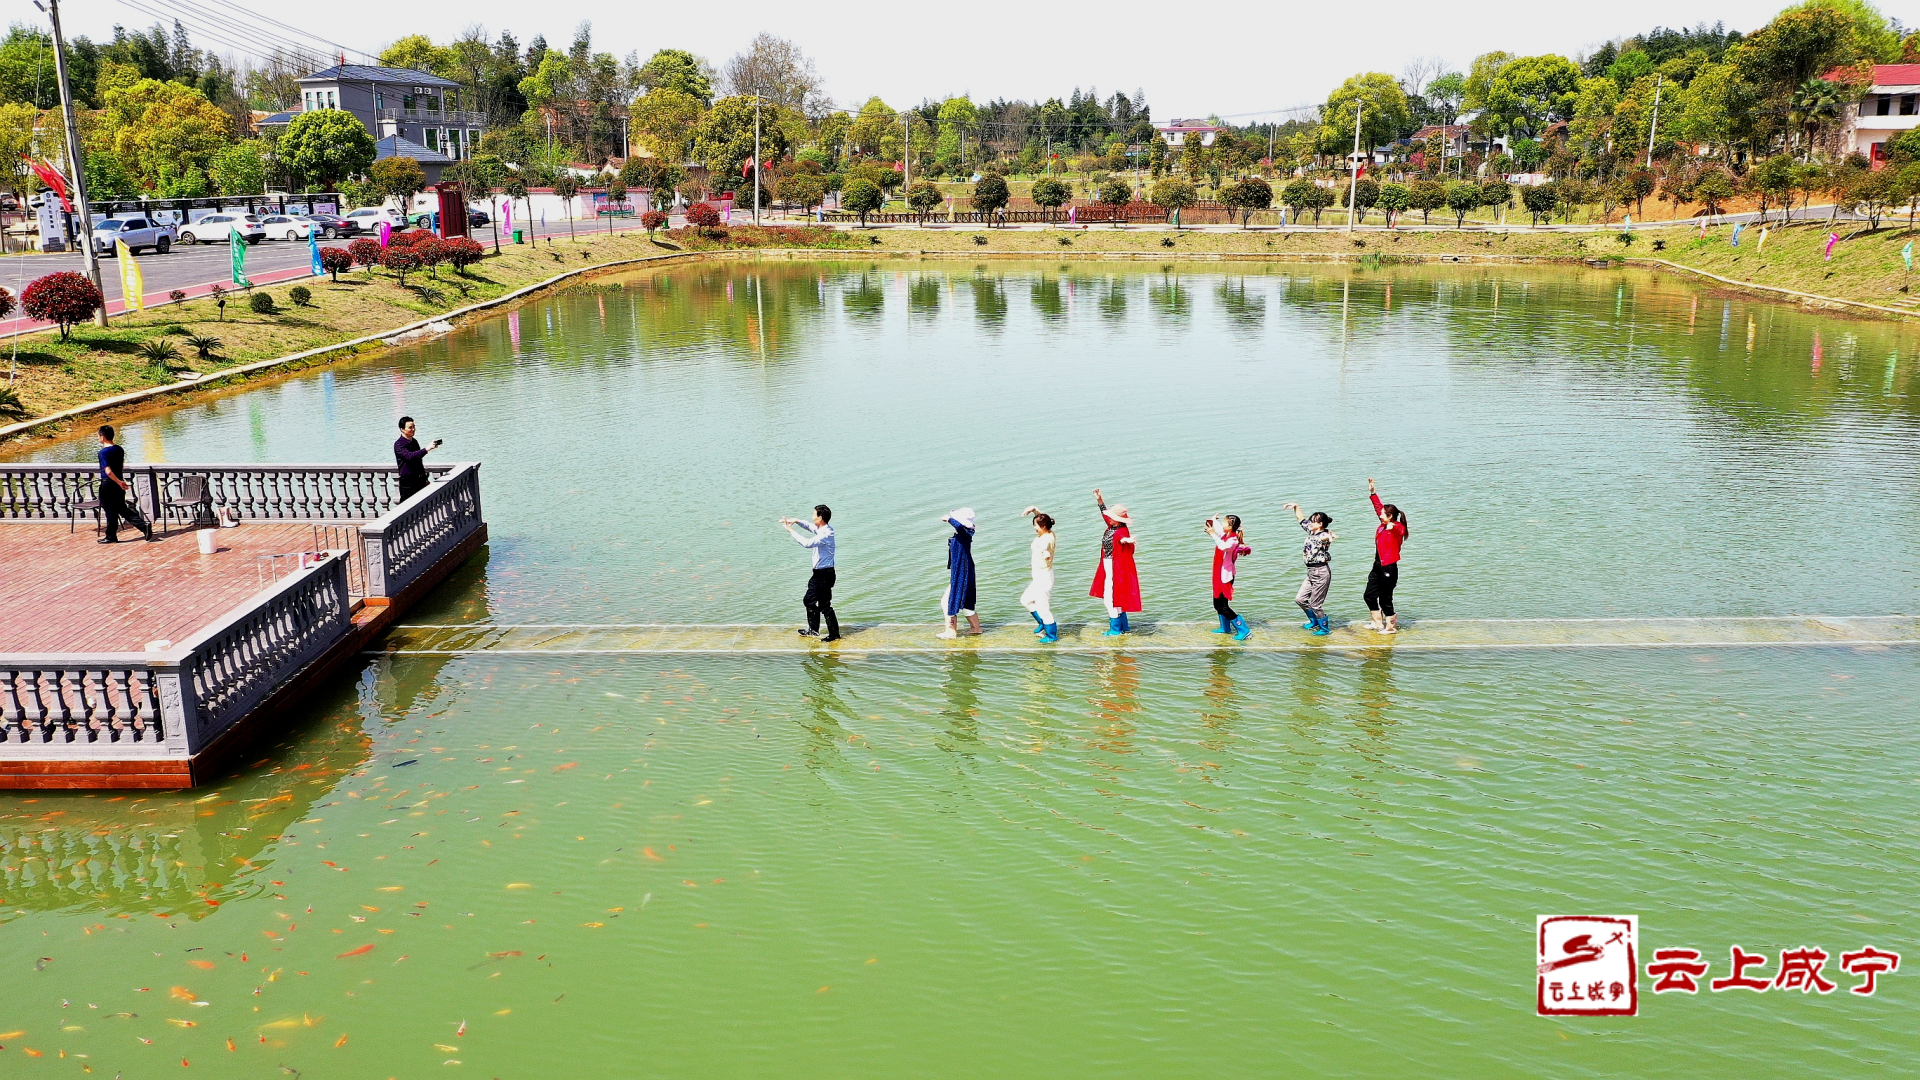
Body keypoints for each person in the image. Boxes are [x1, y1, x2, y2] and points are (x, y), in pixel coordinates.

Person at [781, 504, 839, 642]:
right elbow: (809, 526)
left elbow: (807, 543)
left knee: (809, 600)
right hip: (823, 574)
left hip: (823, 575)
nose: (812, 517)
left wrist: (790, 530)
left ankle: (816, 630)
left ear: (820, 517)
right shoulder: (822, 529)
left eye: (814, 515)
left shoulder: (826, 534)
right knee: (824, 605)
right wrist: (796, 520)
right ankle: (830, 633)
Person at [1089, 488, 1141, 636]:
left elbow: (1122, 539)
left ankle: (1115, 629)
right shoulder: (1113, 526)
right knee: (1115, 595)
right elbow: (1104, 514)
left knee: (1109, 598)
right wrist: (1099, 500)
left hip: (1115, 566)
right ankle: (1123, 626)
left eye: (1111, 517)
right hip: (1109, 565)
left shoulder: (1121, 531)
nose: (1108, 518)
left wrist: (1127, 540)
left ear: (1118, 519)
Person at [1364, 478, 1410, 634]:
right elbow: (1378, 507)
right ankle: (1377, 623)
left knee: (1385, 598)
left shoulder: (1397, 527)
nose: (1380, 515)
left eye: (1383, 514)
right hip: (1377, 565)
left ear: (1390, 516)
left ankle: (1390, 626)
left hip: (1388, 567)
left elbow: (1400, 531)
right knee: (1369, 596)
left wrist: (1392, 527)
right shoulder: (1383, 525)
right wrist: (1372, 492)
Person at [1285, 502, 1336, 636]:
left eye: (1313, 522)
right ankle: (1314, 621)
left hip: (1321, 571)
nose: (1310, 523)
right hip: (1311, 572)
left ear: (1320, 524)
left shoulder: (1323, 535)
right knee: (1300, 599)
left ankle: (1324, 629)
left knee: (1316, 604)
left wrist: (1331, 537)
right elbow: (1301, 519)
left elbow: (1327, 538)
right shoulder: (1312, 531)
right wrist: (1296, 507)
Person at [95, 424, 153, 543]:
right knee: (121, 508)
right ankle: (143, 526)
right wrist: (120, 482)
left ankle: (111, 536)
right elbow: (120, 466)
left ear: (102, 437)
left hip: (108, 483)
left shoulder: (103, 453)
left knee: (110, 511)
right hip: (118, 483)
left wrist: (118, 481)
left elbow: (108, 471)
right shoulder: (119, 449)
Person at [1207, 514, 1252, 641]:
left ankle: (1244, 630)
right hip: (1218, 574)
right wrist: (1214, 520)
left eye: (1225, 522)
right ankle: (1225, 628)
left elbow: (1222, 546)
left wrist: (1212, 534)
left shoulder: (1233, 540)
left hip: (1225, 576)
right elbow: (1219, 530)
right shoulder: (1226, 535)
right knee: (1217, 604)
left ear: (1231, 526)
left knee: (1222, 606)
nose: (1222, 524)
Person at [938, 508, 981, 639]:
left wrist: (949, 519)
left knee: (947, 601)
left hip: (962, 572)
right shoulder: (967, 532)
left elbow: (960, 528)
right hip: (964, 570)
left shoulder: (965, 532)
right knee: (966, 602)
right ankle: (976, 628)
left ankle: (951, 631)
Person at [1021, 507, 1058, 644]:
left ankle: (1052, 636)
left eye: (1035, 526)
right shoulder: (1049, 532)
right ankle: (1042, 622)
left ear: (1042, 526)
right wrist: (1035, 510)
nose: (1034, 529)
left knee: (1043, 606)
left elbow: (1044, 548)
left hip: (1044, 577)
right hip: (1038, 577)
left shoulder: (1046, 540)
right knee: (1025, 600)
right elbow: (1043, 520)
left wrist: (1046, 554)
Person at [394, 416, 440, 503]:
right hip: (408, 482)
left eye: (414, 426)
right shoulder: (399, 444)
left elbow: (418, 461)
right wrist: (426, 449)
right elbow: (410, 456)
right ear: (402, 429)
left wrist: (424, 478)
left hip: (419, 479)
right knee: (406, 506)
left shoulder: (414, 441)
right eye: (410, 427)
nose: (413, 429)